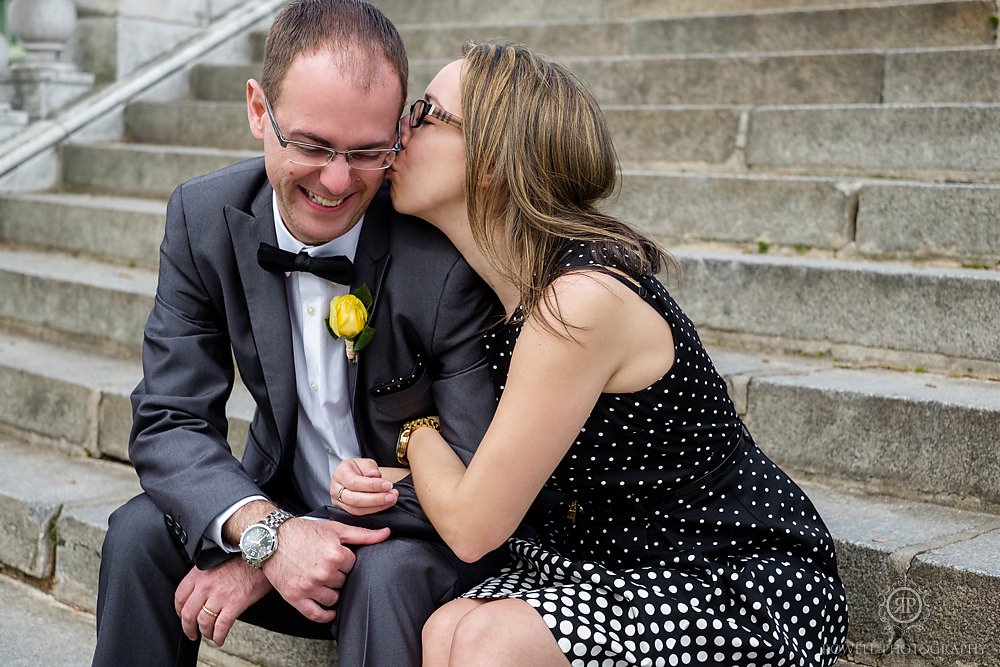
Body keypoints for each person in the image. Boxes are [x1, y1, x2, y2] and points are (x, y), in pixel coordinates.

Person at [333, 41, 849, 666]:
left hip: (734, 575)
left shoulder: (579, 300)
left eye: (425, 113)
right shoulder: (508, 292)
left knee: (484, 642)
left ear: (493, 159)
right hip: (605, 562)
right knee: (447, 627)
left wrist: (416, 435)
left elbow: (472, 528)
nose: (399, 131)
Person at [91, 3, 504, 666]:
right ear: (259, 110)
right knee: (139, 531)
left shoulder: (444, 257)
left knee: (386, 575)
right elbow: (168, 417)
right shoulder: (203, 218)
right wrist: (268, 531)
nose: (337, 181)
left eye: (368, 152)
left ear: (400, 133)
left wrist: (288, 546)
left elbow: (482, 468)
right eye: (311, 145)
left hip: (409, 540)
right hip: (278, 507)